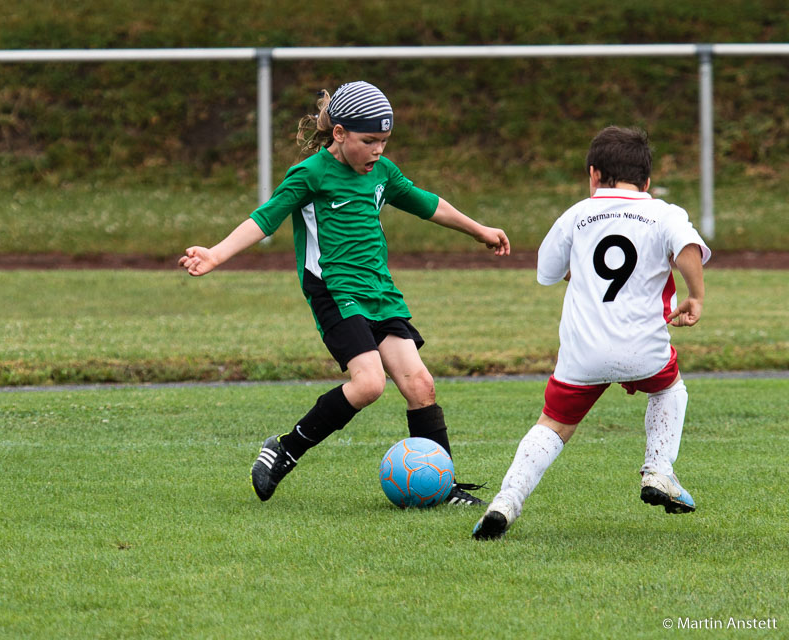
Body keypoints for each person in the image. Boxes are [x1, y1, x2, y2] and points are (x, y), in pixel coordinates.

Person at [180, 81, 510, 506]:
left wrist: (479, 229)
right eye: (368, 141)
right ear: (338, 133)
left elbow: (428, 203)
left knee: (420, 385)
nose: (377, 151)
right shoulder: (311, 175)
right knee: (369, 383)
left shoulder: (382, 173)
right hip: (335, 291)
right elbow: (265, 219)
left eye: (384, 142)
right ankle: (285, 448)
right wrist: (216, 254)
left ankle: (440, 488)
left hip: (380, 292)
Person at [473, 126, 710, 540]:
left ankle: (506, 500)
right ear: (647, 181)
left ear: (593, 175)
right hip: (644, 347)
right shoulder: (663, 212)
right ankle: (658, 470)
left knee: (553, 424)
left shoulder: (577, 214)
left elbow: (547, 272)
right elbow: (687, 246)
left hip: (583, 352)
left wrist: (579, 271)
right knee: (670, 389)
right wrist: (696, 297)